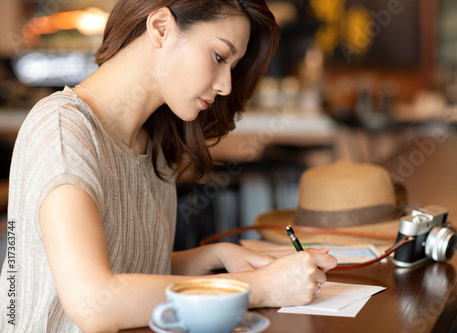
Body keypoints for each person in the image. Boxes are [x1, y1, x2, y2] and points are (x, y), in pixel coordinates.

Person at [0, 0, 337, 332]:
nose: (225, 85)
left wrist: (214, 256)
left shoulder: (153, 144)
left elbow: (129, 265)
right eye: (219, 57)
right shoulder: (63, 129)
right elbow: (93, 301)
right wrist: (255, 287)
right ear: (160, 28)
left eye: (231, 68)